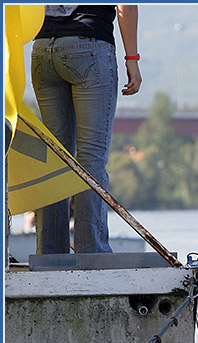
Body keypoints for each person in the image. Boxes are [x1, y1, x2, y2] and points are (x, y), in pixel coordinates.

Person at [31, 5, 141, 254]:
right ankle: (92, 253)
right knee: (91, 156)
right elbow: (126, 6)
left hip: (42, 48)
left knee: (56, 158)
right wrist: (132, 59)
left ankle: (49, 255)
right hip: (89, 46)